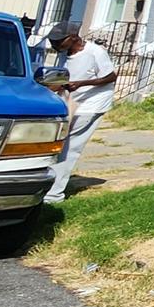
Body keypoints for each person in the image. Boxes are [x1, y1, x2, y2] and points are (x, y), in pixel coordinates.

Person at [44, 22, 117, 205]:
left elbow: (111, 76)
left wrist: (81, 84)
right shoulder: (65, 55)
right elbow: (62, 80)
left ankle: (54, 195)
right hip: (71, 102)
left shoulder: (95, 52)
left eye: (58, 42)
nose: (54, 46)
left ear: (73, 37)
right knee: (58, 144)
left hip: (91, 104)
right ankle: (48, 186)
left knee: (70, 147)